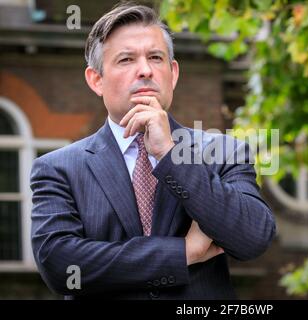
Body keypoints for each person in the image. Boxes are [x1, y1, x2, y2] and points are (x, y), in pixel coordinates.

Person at [30, 3, 276, 300]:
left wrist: (171, 156)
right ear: (96, 80)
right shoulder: (59, 169)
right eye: (126, 60)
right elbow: (61, 266)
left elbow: (253, 238)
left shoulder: (223, 151)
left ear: (172, 74)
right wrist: (182, 253)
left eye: (155, 58)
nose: (145, 70)